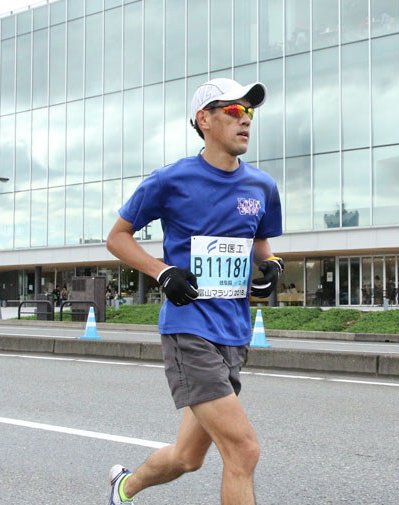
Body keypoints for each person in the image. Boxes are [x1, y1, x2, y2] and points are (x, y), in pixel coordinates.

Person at [105, 78, 280, 505]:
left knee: (187, 458)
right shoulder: (171, 180)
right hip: (189, 329)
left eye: (250, 113)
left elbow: (260, 243)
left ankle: (123, 488)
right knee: (243, 448)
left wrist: (270, 265)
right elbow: (118, 237)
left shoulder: (262, 187)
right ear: (204, 119)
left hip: (234, 334)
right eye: (235, 111)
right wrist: (163, 272)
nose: (246, 121)